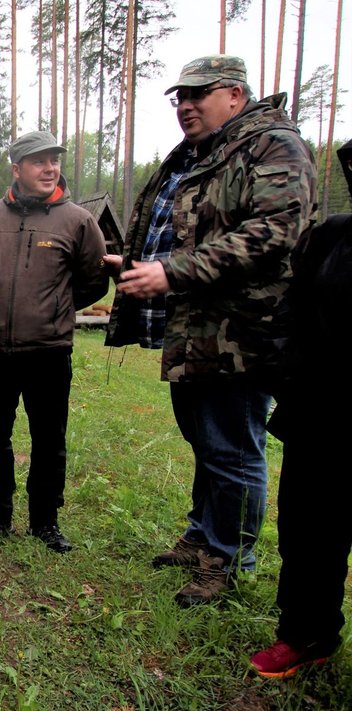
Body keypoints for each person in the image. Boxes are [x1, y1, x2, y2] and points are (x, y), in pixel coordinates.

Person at [103, 55, 316, 606]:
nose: (187, 106)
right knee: (206, 442)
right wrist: (131, 259)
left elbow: (273, 233)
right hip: (195, 330)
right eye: (180, 97)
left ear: (236, 96)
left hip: (241, 333)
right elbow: (183, 224)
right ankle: (203, 535)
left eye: (200, 94)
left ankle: (229, 559)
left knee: (233, 448)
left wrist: (170, 270)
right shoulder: (204, 152)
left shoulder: (273, 146)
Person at [0, 130, 108, 554]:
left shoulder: (78, 221)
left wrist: (55, 309)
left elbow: (92, 281)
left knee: (49, 440)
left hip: (50, 354)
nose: (50, 168)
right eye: (39, 161)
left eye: (54, 160)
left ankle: (45, 521)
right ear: (17, 169)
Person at [248, 139, 352, 677]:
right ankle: (307, 634)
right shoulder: (333, 237)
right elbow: (290, 310)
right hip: (322, 417)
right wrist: (286, 375)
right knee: (310, 533)